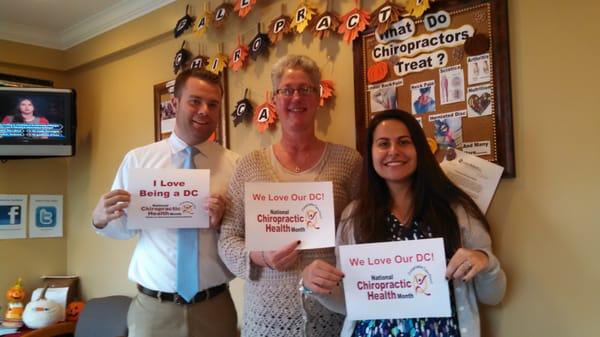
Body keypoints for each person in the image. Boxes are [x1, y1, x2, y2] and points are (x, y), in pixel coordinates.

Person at [301, 109, 506, 337]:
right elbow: (349, 303)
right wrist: (316, 286)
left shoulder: (456, 211)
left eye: (404, 142)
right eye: (383, 144)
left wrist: (485, 262)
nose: (393, 151)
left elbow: (494, 296)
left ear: (419, 149)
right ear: (370, 154)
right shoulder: (354, 217)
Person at [218, 55, 362, 337]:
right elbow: (228, 237)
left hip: (331, 316)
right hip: (265, 318)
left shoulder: (348, 162)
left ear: (318, 96)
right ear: (274, 99)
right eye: (287, 90)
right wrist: (261, 256)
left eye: (306, 89)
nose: (296, 97)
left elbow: (364, 231)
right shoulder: (249, 166)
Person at [91, 68, 239, 337]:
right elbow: (123, 229)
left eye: (213, 104)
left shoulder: (235, 165)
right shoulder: (138, 160)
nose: (204, 110)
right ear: (175, 104)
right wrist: (100, 218)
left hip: (214, 308)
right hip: (153, 311)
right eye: (195, 101)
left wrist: (222, 224)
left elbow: (243, 239)